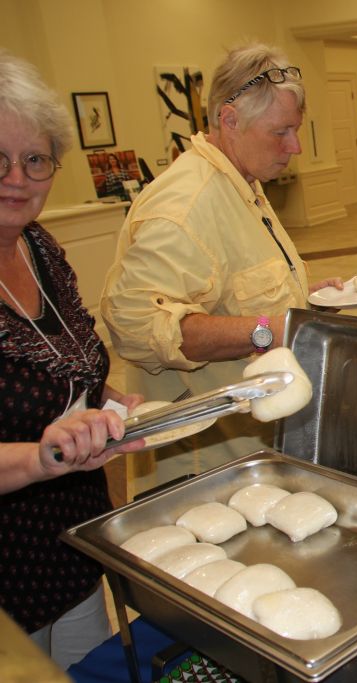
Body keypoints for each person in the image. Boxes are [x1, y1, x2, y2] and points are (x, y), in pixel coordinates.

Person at [101, 43, 342, 472]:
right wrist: (269, 330)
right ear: (229, 120)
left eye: (297, 129)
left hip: (251, 442)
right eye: (280, 132)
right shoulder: (187, 204)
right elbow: (135, 325)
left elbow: (235, 285)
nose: (297, 146)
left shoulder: (242, 182)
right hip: (206, 460)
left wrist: (302, 297)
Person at [0, 50, 146, 669]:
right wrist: (43, 456)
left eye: (35, 159)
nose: (16, 178)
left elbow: (71, 357)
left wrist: (104, 399)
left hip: (73, 537)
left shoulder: (38, 246)